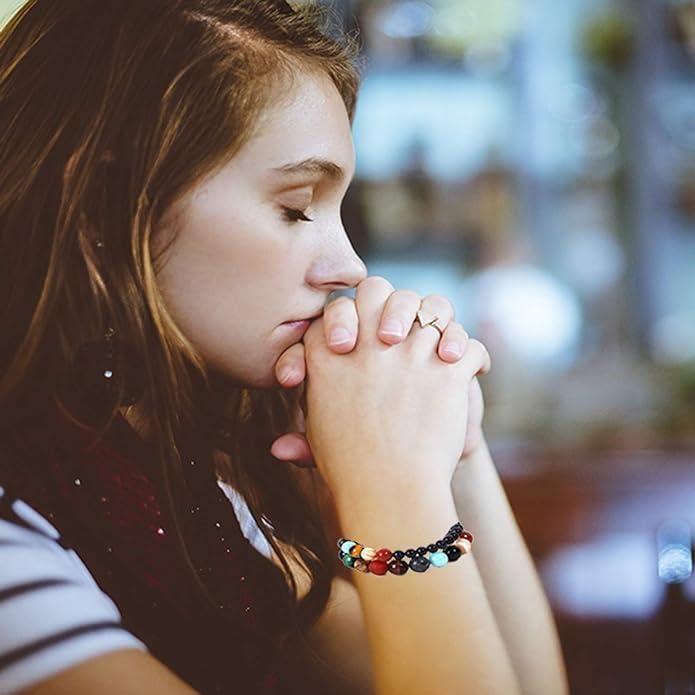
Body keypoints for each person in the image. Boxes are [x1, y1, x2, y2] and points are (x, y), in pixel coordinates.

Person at [0, 1, 569, 693]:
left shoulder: (192, 487)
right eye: (296, 206)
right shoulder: (17, 531)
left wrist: (454, 452)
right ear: (106, 202)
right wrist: (392, 492)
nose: (351, 267)